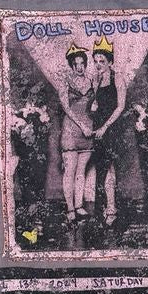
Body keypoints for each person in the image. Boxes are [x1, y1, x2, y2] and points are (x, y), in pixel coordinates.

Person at [87, 38, 126, 224]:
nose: (98, 65)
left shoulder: (117, 78)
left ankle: (111, 208)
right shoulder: (95, 80)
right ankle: (102, 208)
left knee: (110, 167)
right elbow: (94, 106)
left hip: (112, 128)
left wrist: (105, 127)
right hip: (98, 128)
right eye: (95, 61)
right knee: (100, 168)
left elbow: (120, 107)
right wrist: (92, 107)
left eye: (102, 61)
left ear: (110, 62)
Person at [59, 43, 94, 222]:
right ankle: (70, 208)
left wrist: (95, 107)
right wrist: (82, 126)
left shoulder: (92, 81)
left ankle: (79, 206)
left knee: (81, 172)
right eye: (76, 64)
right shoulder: (65, 81)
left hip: (88, 131)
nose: (79, 67)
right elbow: (66, 108)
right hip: (72, 130)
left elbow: (95, 104)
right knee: (70, 171)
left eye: (82, 63)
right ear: (71, 65)